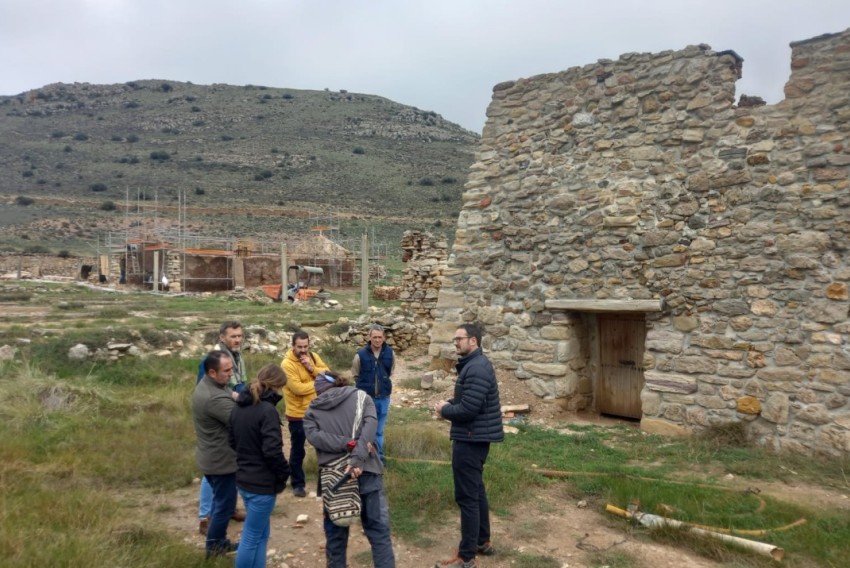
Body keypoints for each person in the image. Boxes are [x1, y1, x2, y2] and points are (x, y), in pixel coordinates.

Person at [304, 372, 396, 568]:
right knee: (379, 533)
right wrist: (357, 456)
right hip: (368, 471)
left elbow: (315, 438)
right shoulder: (363, 397)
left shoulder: (312, 411)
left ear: (318, 391)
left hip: (334, 479)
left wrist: (348, 444)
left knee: (336, 536)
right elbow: (370, 429)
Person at [433, 323, 504, 568]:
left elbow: (469, 409)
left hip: (471, 439)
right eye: (455, 338)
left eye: (459, 338)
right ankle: (483, 541)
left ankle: (466, 558)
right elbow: (468, 399)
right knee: (476, 492)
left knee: (467, 497)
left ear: (473, 341)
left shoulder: (477, 368)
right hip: (473, 437)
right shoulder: (473, 365)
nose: (455, 342)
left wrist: (445, 410)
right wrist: (450, 403)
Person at [229, 364, 291, 568]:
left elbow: (231, 441)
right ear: (275, 387)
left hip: (244, 479)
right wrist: (284, 473)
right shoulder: (267, 411)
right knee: (251, 537)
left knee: (261, 534)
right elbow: (272, 451)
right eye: (281, 388)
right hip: (261, 485)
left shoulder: (239, 406)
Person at [197, 321, 248, 534]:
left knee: (231, 467)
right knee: (216, 470)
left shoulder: (236, 356)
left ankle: (229, 509)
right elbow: (209, 390)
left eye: (239, 335)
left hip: (232, 409)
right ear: (222, 338)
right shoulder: (213, 360)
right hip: (218, 418)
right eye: (233, 336)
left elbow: (240, 383)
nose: (237, 339)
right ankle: (205, 516)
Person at [192, 351, 240, 557]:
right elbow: (240, 420)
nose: (232, 373)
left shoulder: (209, 386)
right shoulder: (215, 397)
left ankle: (218, 541)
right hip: (221, 461)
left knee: (219, 502)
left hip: (211, 456)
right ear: (212, 372)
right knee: (224, 507)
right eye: (226, 370)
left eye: (232, 368)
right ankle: (214, 547)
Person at [280, 330, 329, 498]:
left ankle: (324, 483)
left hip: (317, 411)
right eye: (299, 347)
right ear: (293, 346)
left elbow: (328, 374)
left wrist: (312, 368)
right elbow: (297, 389)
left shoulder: (313, 357)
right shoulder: (287, 364)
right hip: (298, 413)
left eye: (305, 346)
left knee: (323, 448)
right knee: (298, 450)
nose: (303, 350)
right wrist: (320, 383)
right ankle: (297, 484)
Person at [351, 324, 395, 465]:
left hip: (383, 398)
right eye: (374, 337)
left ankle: (378, 459)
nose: (377, 340)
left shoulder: (390, 353)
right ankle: (362, 457)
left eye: (380, 337)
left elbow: (390, 373)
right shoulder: (360, 355)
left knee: (379, 431)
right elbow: (356, 375)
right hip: (366, 399)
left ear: (384, 338)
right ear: (369, 337)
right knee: (364, 430)